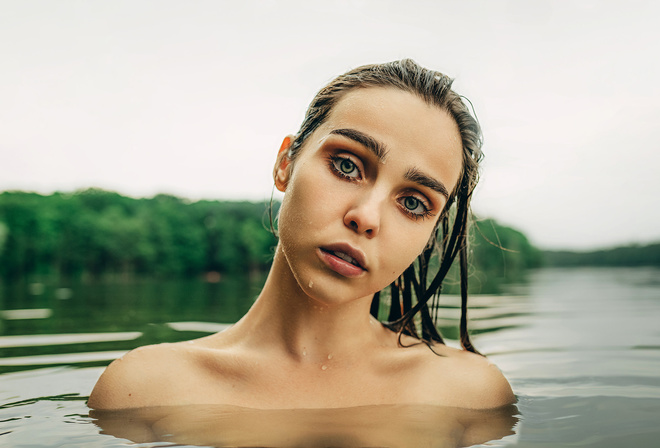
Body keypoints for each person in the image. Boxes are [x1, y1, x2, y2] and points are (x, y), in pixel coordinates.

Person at [88, 59, 515, 412]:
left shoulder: (471, 396)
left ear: (431, 236)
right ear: (285, 164)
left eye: (414, 203)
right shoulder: (144, 392)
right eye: (347, 165)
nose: (366, 217)